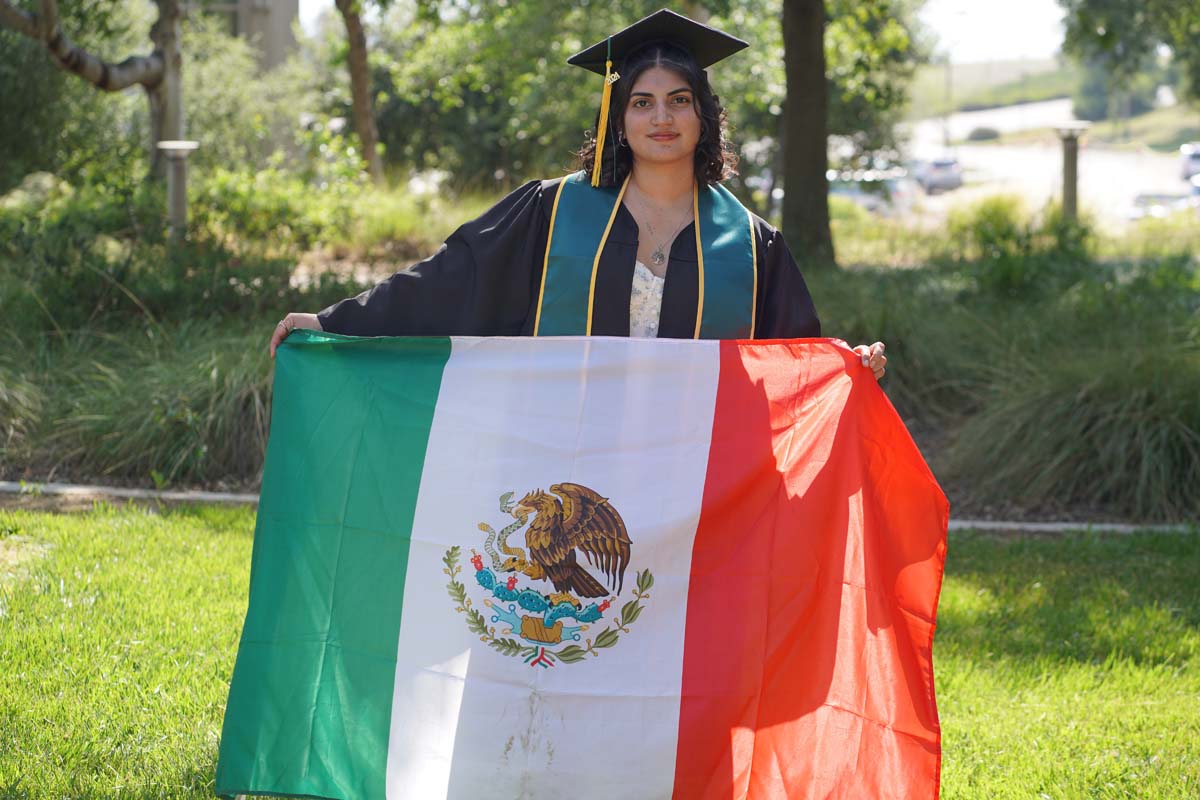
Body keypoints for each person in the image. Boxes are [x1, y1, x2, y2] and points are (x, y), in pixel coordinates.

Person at [268, 9, 886, 379]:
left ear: (704, 116)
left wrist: (848, 366)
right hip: (569, 449)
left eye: (679, 101)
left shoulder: (750, 243)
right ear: (619, 120)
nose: (661, 118)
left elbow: (793, 359)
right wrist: (331, 322)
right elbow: (453, 279)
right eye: (641, 103)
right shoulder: (553, 210)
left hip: (696, 468)